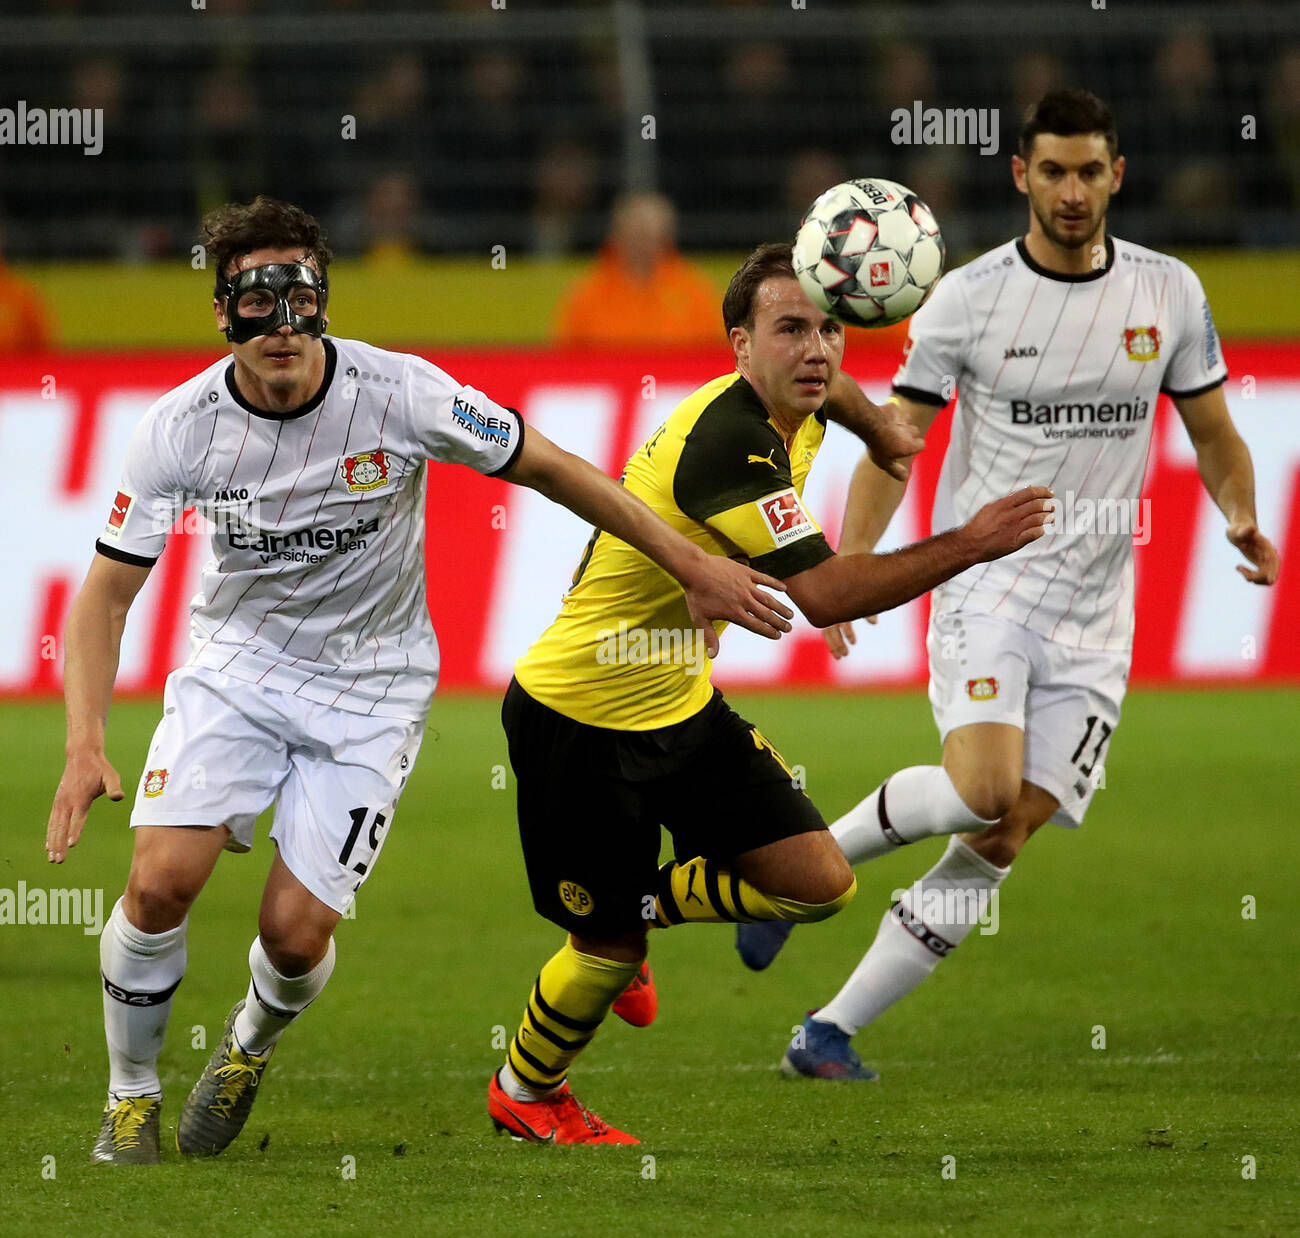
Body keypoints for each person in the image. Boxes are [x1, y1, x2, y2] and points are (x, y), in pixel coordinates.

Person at [45, 196, 795, 1166]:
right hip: (237, 669)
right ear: (222, 312)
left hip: (374, 691)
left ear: (323, 299)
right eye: (255, 298)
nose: (280, 321)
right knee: (157, 883)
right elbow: (103, 596)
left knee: (292, 936)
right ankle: (130, 1099)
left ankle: (245, 1046)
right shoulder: (177, 430)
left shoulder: (400, 393)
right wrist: (82, 744)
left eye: (299, 294)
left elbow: (557, 469)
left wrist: (688, 562)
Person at [737, 91, 1280, 1080]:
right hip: (989, 586)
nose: (1070, 192)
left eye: (1088, 171)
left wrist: (1238, 513)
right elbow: (894, 446)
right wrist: (849, 570)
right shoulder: (967, 299)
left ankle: (826, 1030)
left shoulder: (1168, 294)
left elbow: (1213, 434)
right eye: (1052, 171)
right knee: (983, 785)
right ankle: (800, 865)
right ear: (1018, 176)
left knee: (1003, 828)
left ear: (1115, 175)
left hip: (1097, 614)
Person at [487, 242, 1054, 1144]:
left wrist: (877, 430)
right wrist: (972, 542)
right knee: (606, 952)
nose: (817, 350)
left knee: (821, 884)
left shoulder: (808, 398)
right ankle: (528, 1088)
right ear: (739, 347)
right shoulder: (727, 443)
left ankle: (643, 902)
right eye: (790, 330)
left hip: (680, 706)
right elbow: (824, 593)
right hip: (578, 721)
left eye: (830, 327)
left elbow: (836, 390)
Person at [553, 191, 719, 348]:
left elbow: (711, 354)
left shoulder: (693, 289)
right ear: (617, 234)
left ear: (666, 237)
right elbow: (566, 359)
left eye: (650, 235)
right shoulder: (588, 292)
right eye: (636, 234)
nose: (643, 245)